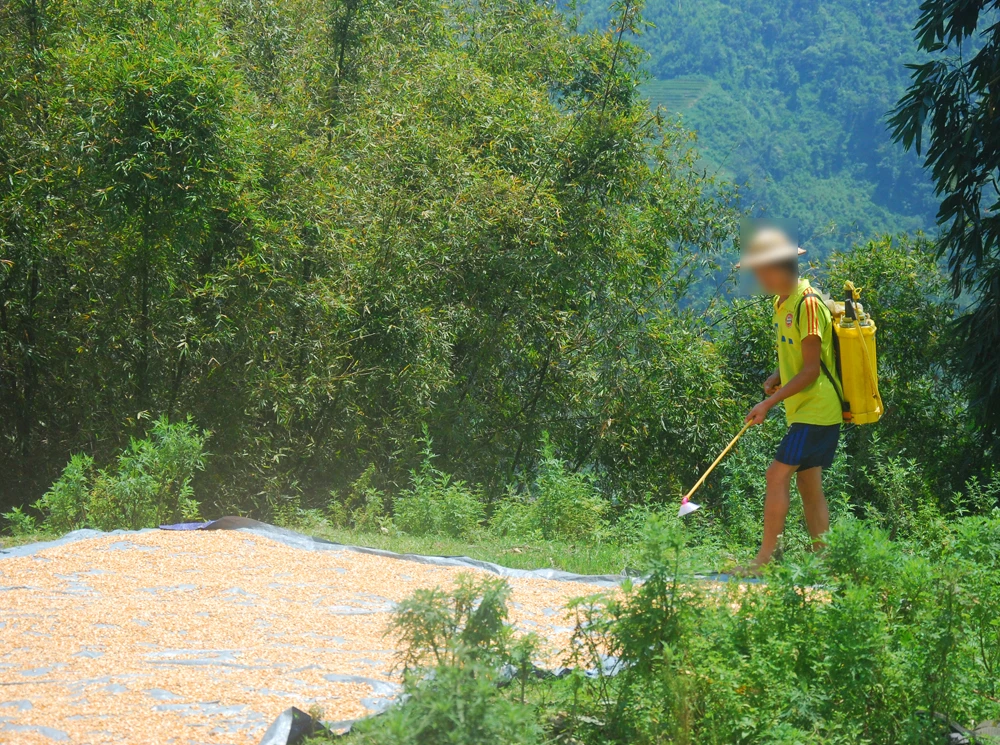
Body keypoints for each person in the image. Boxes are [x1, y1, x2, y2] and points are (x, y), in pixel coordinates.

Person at [735, 228, 843, 575]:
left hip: (818, 410)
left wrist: (769, 403)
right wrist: (778, 374)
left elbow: (812, 370)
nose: (757, 277)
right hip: (805, 410)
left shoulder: (808, 304)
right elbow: (799, 358)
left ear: (775, 268)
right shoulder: (782, 303)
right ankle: (822, 564)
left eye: (759, 270)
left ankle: (765, 561)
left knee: (775, 475)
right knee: (808, 485)